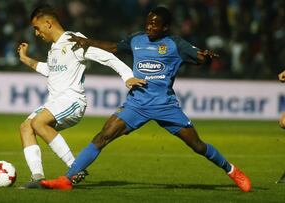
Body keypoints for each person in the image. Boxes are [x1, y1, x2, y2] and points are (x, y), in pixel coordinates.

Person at [39, 6, 252, 192]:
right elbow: (114, 47)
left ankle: (232, 170)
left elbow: (199, 58)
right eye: (148, 23)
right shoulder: (137, 39)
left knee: (197, 145)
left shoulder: (176, 44)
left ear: (165, 27)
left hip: (165, 105)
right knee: (102, 137)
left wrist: (206, 58)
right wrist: (87, 42)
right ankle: (67, 179)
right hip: (136, 104)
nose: (149, 27)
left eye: (154, 24)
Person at [17, 4, 146, 188]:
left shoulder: (74, 40)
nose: (36, 33)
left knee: (38, 122)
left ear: (48, 23)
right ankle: (37, 177)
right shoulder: (54, 47)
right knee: (25, 127)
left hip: (72, 101)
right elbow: (50, 70)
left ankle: (75, 168)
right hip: (56, 101)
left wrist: (128, 76)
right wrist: (26, 60)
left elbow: (106, 57)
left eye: (37, 28)